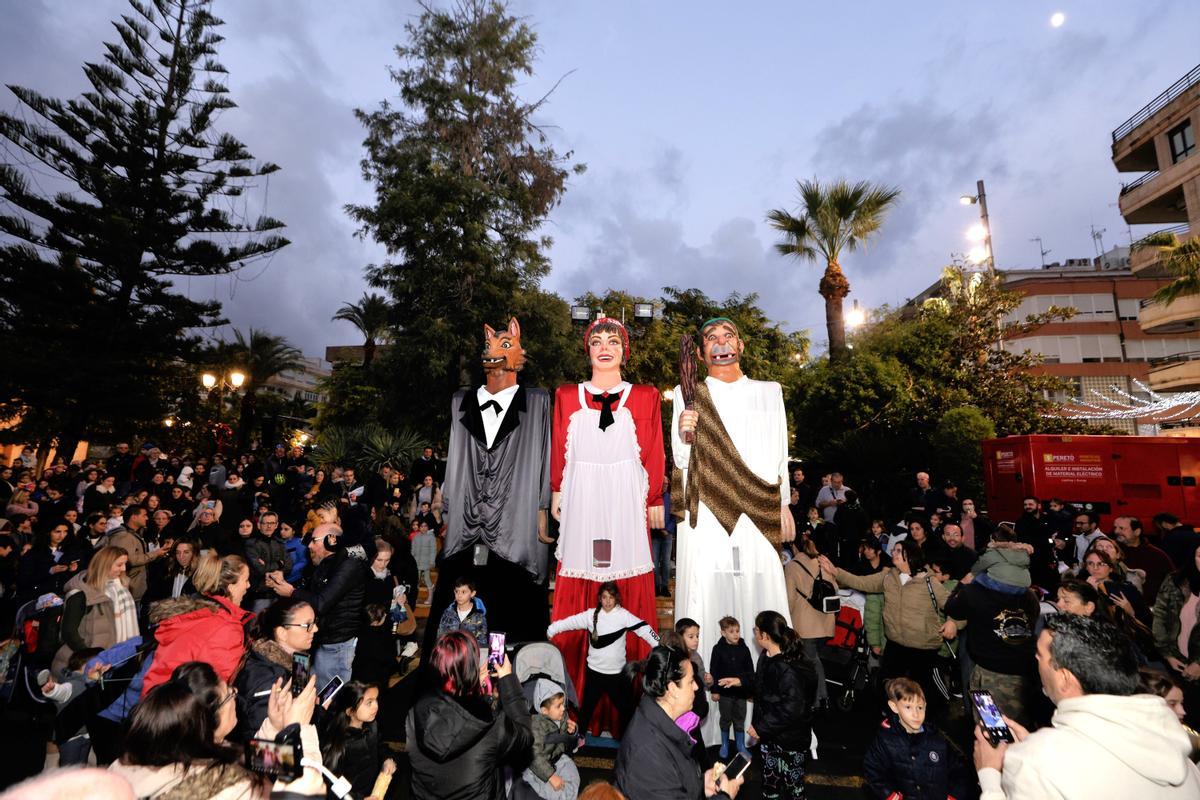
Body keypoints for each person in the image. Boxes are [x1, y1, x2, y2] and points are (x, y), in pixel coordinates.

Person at [671, 317, 793, 744]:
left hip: (759, 506)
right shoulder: (687, 395)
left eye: (727, 337)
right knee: (705, 595)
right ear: (701, 352)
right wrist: (685, 435)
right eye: (711, 339)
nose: (720, 345)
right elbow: (681, 463)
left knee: (764, 593)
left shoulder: (768, 391)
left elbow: (781, 452)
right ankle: (704, 725)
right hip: (707, 511)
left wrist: (784, 504)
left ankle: (771, 719)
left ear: (740, 344)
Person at [550, 318, 664, 715]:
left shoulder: (646, 396)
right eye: (596, 340)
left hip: (624, 500)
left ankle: (631, 707)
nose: (604, 346)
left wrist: (653, 498)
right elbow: (559, 446)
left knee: (627, 580)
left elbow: (652, 449)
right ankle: (572, 703)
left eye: (613, 341)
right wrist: (556, 490)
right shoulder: (566, 395)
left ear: (623, 350)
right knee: (578, 579)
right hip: (583, 496)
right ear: (587, 349)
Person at [973, 613, 1200, 799]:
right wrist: (1032, 744)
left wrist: (991, 776)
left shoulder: (1036, 762)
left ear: (1064, 678)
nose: (1036, 661)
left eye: (1039, 656)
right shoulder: (1178, 751)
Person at [110, 660, 325, 797]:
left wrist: (275, 726)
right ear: (208, 721)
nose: (235, 691)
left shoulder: (177, 748)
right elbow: (309, 786)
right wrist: (301, 729)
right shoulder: (229, 788)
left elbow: (258, 759)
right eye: (229, 693)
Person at [819, 541, 960, 710]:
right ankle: (892, 719)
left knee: (924, 692)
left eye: (898, 551)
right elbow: (861, 582)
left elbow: (956, 606)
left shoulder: (929, 582)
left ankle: (928, 723)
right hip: (895, 645)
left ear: (910, 556)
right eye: (894, 549)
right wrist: (835, 571)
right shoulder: (888, 576)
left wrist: (953, 622)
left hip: (923, 649)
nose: (893, 552)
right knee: (888, 686)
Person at [407, 630, 533, 800]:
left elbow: (455, 717)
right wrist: (508, 680)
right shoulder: (493, 725)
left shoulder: (415, 713)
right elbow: (525, 736)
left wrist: (475, 692)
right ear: (471, 666)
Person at [615, 645, 743, 800]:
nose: (696, 687)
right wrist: (724, 796)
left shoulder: (662, 723)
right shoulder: (647, 754)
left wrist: (701, 785)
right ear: (672, 689)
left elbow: (674, 782)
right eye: (691, 681)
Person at [547, 581, 659, 737]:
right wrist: (552, 629)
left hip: (617, 676)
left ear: (616, 599)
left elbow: (644, 628)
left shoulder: (624, 616)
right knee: (586, 710)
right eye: (604, 597)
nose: (607, 601)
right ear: (600, 598)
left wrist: (658, 645)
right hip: (594, 674)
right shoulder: (591, 615)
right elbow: (569, 622)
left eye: (611, 597)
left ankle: (632, 740)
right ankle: (578, 740)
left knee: (627, 711)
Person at [265, 522, 367, 689]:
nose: (309, 546)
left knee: (327, 700)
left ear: (331, 541)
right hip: (309, 643)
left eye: (314, 541)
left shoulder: (349, 565)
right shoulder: (322, 564)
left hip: (333, 647)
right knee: (300, 689)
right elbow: (308, 595)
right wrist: (281, 583)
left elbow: (321, 603)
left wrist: (291, 592)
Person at [140, 552, 253, 697]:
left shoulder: (196, 613)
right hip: (185, 709)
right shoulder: (225, 627)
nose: (248, 585)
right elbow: (219, 686)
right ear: (230, 587)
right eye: (246, 580)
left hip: (159, 702)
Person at [863, 678, 971, 800]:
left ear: (925, 706)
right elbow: (872, 770)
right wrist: (890, 795)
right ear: (894, 707)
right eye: (908, 707)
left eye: (919, 707)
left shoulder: (938, 740)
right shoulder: (886, 740)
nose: (916, 714)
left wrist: (954, 795)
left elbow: (958, 771)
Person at [743, 610, 812, 800]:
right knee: (771, 783)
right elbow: (762, 686)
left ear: (765, 635)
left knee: (794, 788)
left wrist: (761, 727)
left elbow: (792, 708)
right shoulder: (767, 656)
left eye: (756, 630)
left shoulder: (789, 668)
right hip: (772, 737)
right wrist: (740, 682)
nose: (754, 633)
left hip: (790, 740)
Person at [234, 596, 317, 739]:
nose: (315, 629)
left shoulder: (298, 661)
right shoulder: (269, 681)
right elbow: (264, 745)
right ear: (282, 633)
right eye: (308, 625)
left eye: (315, 622)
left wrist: (317, 710)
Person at [53, 546, 138, 673]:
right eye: (119, 565)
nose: (124, 569)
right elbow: (68, 632)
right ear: (104, 565)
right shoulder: (80, 594)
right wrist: (92, 658)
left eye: (125, 564)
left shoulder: (121, 588)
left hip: (110, 662)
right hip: (82, 664)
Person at [783, 539, 837, 710]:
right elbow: (835, 587)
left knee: (811, 662)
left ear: (794, 546)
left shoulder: (792, 566)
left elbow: (790, 599)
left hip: (806, 625)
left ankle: (820, 698)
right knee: (814, 659)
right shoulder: (823, 561)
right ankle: (820, 697)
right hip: (825, 621)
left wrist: (787, 620)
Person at [318, 682, 396, 798]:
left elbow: (379, 745)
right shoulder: (339, 745)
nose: (376, 706)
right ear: (350, 711)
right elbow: (331, 785)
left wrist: (386, 758)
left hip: (371, 789)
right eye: (369, 702)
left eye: (376, 699)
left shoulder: (371, 724)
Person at [1153, 541, 1200, 716]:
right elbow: (1160, 617)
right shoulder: (1175, 581)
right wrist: (1168, 654)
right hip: (1177, 661)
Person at [524, 678, 582, 800]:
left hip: (557, 758)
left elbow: (569, 743)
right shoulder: (536, 725)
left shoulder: (561, 715)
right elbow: (534, 756)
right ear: (544, 711)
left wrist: (573, 732)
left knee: (574, 778)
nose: (563, 709)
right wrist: (550, 777)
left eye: (563, 704)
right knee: (546, 793)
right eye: (558, 706)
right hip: (538, 766)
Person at [708, 615, 754, 760]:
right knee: (726, 718)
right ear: (723, 633)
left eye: (737, 631)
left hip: (740, 693)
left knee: (740, 719)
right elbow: (713, 670)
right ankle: (725, 744)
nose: (736, 634)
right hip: (725, 694)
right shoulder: (717, 649)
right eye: (732, 631)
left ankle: (740, 745)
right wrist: (714, 690)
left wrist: (749, 691)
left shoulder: (744, 649)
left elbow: (750, 671)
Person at [1113, 516, 1175, 606]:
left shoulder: (1157, 555)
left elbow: (1172, 582)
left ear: (1137, 532)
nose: (1116, 531)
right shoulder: (1112, 552)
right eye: (1115, 527)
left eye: (1122, 528)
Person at [108, 505, 165, 602]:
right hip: (129, 589)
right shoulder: (124, 536)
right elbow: (130, 560)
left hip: (134, 588)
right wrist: (155, 553)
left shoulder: (134, 534)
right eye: (144, 515)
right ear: (134, 517)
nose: (147, 518)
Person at [243, 510, 291, 613]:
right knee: (255, 626)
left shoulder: (280, 543)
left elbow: (289, 565)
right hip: (259, 594)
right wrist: (279, 564)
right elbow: (259, 569)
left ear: (276, 525)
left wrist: (280, 571)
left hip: (278, 593)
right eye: (265, 523)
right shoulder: (251, 544)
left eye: (272, 523)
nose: (269, 526)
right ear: (259, 525)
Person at [437, 574, 490, 656]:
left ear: (472, 593)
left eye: (463, 592)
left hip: (469, 658)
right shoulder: (448, 613)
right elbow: (440, 636)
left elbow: (482, 642)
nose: (459, 595)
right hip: (449, 657)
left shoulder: (479, 617)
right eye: (456, 591)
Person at [144, 537, 198, 603]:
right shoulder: (167, 570)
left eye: (186, 552)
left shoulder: (199, 574)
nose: (181, 556)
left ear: (194, 553)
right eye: (178, 552)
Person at [413, 520, 438, 606]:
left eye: (425, 526)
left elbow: (433, 551)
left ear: (428, 527)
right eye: (421, 526)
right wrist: (412, 561)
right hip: (417, 562)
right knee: (416, 580)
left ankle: (430, 597)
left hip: (426, 562)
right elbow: (413, 550)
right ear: (419, 527)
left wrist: (432, 561)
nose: (423, 528)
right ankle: (415, 597)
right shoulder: (416, 537)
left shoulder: (431, 537)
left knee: (427, 579)